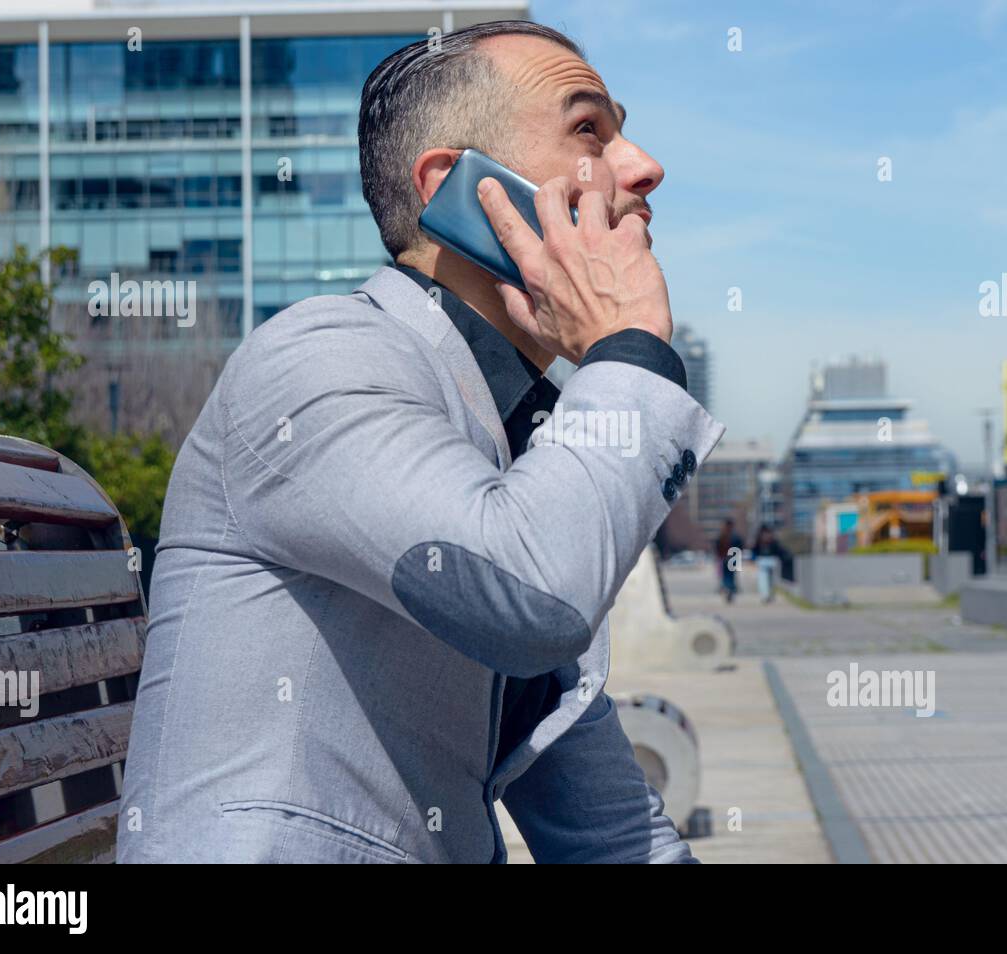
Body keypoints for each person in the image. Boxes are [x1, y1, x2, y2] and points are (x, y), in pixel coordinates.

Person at [117, 21, 723, 864]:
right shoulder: (323, 358)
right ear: (459, 189)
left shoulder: (521, 444)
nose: (643, 165)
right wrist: (631, 350)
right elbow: (531, 597)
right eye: (589, 127)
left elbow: (613, 833)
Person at [752, 525, 788, 603]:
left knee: (766, 579)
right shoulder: (769, 541)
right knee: (766, 579)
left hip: (769, 561)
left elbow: (754, 550)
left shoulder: (765, 541)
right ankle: (767, 595)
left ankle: (767, 595)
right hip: (767, 561)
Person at [714, 519, 743, 603]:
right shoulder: (735, 536)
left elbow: (717, 548)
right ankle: (730, 589)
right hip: (732, 558)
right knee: (731, 576)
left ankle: (728, 589)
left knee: (726, 576)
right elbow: (740, 547)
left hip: (725, 558)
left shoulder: (722, 536)